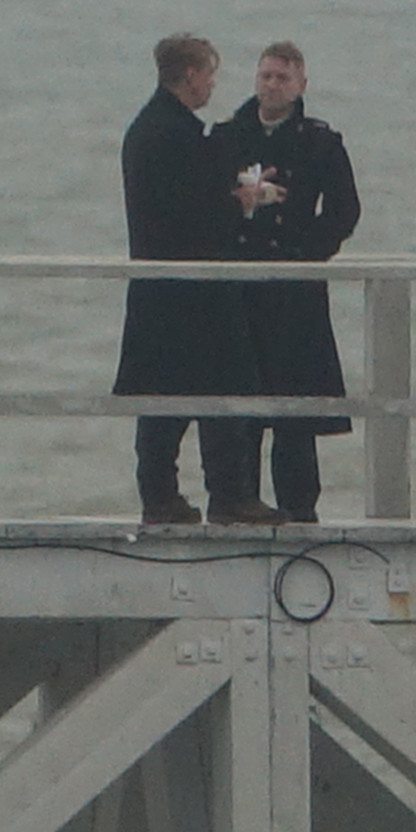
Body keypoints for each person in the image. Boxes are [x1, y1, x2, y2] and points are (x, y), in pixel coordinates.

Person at [113, 34, 277, 526]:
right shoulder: (175, 135)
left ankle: (162, 496)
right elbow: (195, 212)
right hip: (191, 286)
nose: (210, 84)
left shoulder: (150, 129)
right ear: (189, 75)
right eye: (208, 73)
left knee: (165, 394)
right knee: (225, 388)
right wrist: (242, 202)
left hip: (160, 286)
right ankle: (226, 495)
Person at [217, 40, 361, 524]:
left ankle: (300, 510)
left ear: (301, 84)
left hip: (295, 291)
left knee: (295, 412)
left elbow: (344, 211)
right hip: (239, 288)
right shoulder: (227, 137)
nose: (271, 85)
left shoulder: (319, 142)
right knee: (241, 408)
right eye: (265, 76)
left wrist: (308, 253)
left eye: (282, 77)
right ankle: (239, 504)